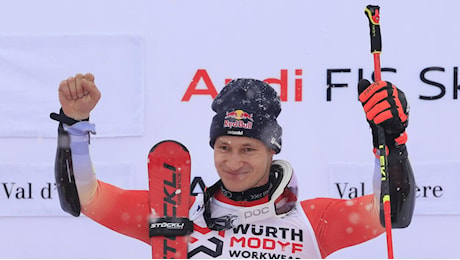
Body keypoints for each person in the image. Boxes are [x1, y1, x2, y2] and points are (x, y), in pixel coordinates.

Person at [50, 73, 415, 258]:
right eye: (223, 147)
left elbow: (392, 212)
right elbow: (82, 198)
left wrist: (392, 143)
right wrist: (73, 125)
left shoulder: (314, 221)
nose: (233, 161)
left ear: (272, 151)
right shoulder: (171, 211)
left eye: (248, 149)